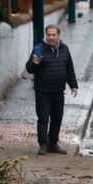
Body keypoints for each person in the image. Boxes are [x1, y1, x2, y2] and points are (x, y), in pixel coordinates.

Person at [24, 23, 78, 153]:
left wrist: (74, 85)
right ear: (46, 35)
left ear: (59, 35)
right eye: (49, 35)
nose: (51, 37)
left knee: (57, 118)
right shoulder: (39, 49)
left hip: (58, 91)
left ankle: (53, 144)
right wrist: (35, 63)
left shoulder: (64, 49)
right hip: (43, 91)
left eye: (53, 35)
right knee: (43, 118)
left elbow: (69, 67)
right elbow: (29, 68)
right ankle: (43, 144)